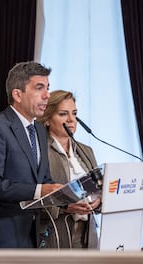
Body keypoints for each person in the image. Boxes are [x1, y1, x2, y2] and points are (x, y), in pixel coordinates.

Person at [0, 61, 63, 248]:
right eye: (39, 88)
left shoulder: (39, 130)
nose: (47, 95)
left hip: (33, 234)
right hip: (3, 235)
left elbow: (43, 178)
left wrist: (67, 201)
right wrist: (39, 190)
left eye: (47, 88)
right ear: (17, 94)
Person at [37, 90, 101, 249]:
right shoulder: (39, 151)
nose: (71, 120)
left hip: (87, 235)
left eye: (74, 113)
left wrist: (98, 201)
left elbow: (99, 188)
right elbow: (33, 197)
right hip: (55, 235)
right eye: (63, 114)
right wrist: (64, 207)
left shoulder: (87, 151)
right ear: (47, 119)